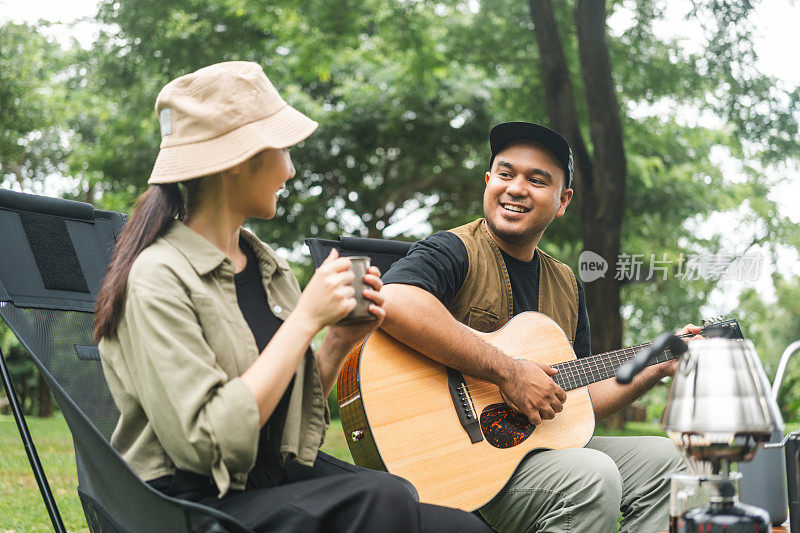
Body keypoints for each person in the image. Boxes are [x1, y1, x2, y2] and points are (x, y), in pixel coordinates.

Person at [94, 61, 491, 533]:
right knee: (382, 499)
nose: (291, 168)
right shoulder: (158, 276)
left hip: (262, 481)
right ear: (240, 160)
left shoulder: (266, 267)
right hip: (186, 504)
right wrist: (305, 319)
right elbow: (205, 447)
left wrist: (338, 342)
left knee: (461, 527)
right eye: (282, 149)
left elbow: (292, 425)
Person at [380, 121, 696, 533]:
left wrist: (656, 364)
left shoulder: (566, 284)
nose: (516, 188)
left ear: (562, 201)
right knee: (593, 475)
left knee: (669, 462)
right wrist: (508, 372)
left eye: (537, 180)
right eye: (506, 174)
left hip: (537, 449)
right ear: (489, 181)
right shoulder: (454, 249)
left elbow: (578, 399)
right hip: (457, 458)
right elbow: (394, 299)